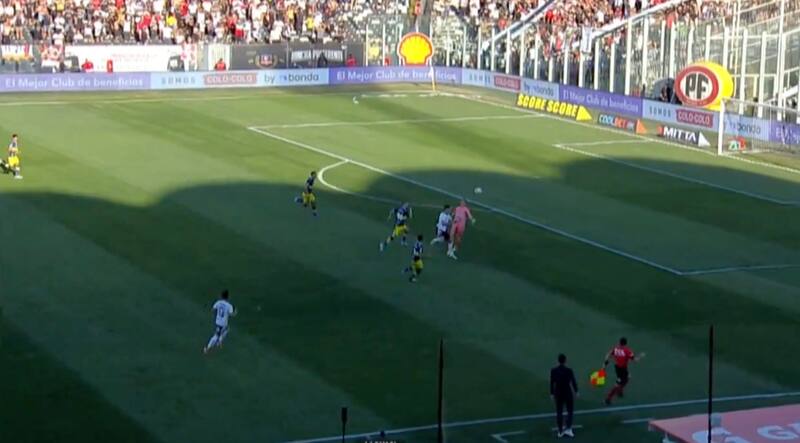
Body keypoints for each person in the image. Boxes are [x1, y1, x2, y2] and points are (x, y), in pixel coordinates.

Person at [603, 337, 645, 405]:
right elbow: (635, 360)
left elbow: (608, 355)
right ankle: (608, 399)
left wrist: (605, 363)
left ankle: (619, 390)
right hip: (622, 369)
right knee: (619, 383)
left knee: (627, 377)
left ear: (619, 342)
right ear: (626, 343)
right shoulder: (627, 351)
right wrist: (641, 356)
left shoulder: (615, 349)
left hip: (618, 368)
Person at [550, 354, 578, 438]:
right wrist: (576, 391)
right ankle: (568, 429)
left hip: (558, 393)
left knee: (559, 411)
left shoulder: (553, 370)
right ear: (565, 360)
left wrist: (551, 393)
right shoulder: (569, 370)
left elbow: (552, 383)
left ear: (558, 361)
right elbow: (573, 381)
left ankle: (560, 431)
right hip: (567, 393)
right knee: (570, 411)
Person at [203, 290, 236, 354]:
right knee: (216, 336)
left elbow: (213, 309)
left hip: (218, 321)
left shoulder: (218, 302)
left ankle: (219, 340)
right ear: (228, 297)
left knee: (226, 330)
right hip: (223, 323)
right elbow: (232, 314)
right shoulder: (229, 305)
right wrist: (235, 312)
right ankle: (207, 347)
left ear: (221, 296)